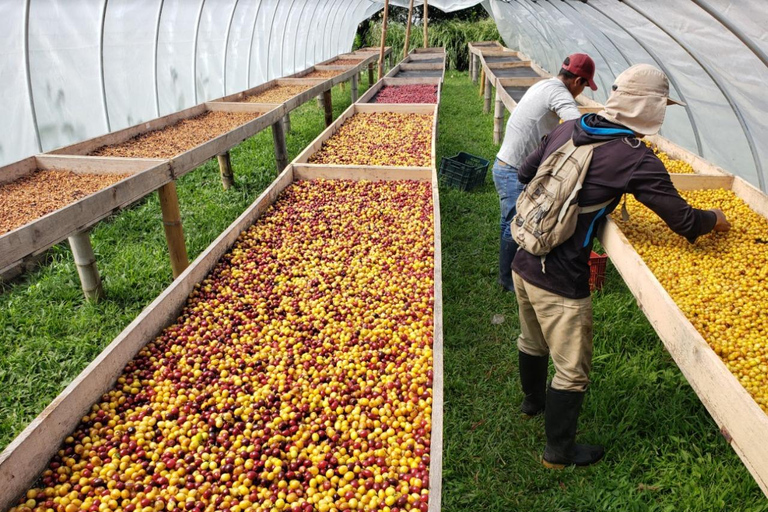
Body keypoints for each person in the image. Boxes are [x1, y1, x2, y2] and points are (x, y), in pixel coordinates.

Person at [512, 64, 731, 468]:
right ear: (651, 109)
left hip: (524, 257)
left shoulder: (570, 126)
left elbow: (526, 172)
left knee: (532, 339)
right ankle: (558, 452)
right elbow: (683, 222)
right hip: (559, 277)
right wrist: (716, 218)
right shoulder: (636, 159)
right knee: (572, 369)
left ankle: (531, 403)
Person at [493, 53, 598, 292]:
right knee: (514, 225)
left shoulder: (545, 84)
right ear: (577, 81)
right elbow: (577, 125)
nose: (580, 92)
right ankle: (508, 282)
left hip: (506, 164)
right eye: (584, 86)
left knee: (511, 222)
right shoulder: (559, 92)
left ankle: (510, 276)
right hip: (512, 169)